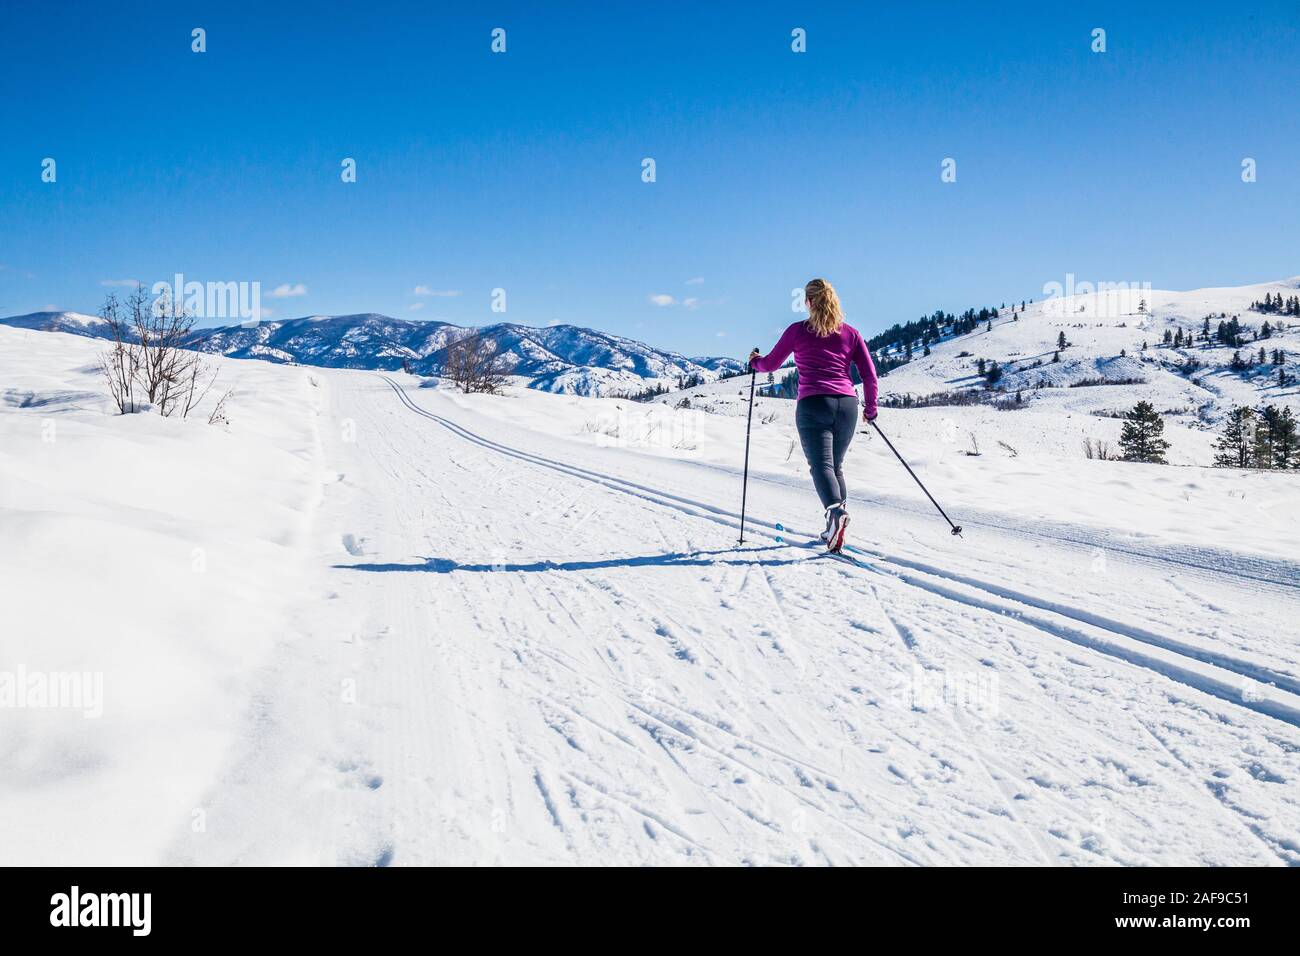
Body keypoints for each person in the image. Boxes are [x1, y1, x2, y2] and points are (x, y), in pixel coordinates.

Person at [749, 278, 878, 552]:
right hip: (847, 406)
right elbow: (869, 374)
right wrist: (871, 408)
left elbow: (771, 363)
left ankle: (835, 514)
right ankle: (834, 524)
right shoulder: (851, 333)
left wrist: (754, 362)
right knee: (836, 466)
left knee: (822, 466)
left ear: (808, 302)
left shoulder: (798, 331)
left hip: (814, 403)